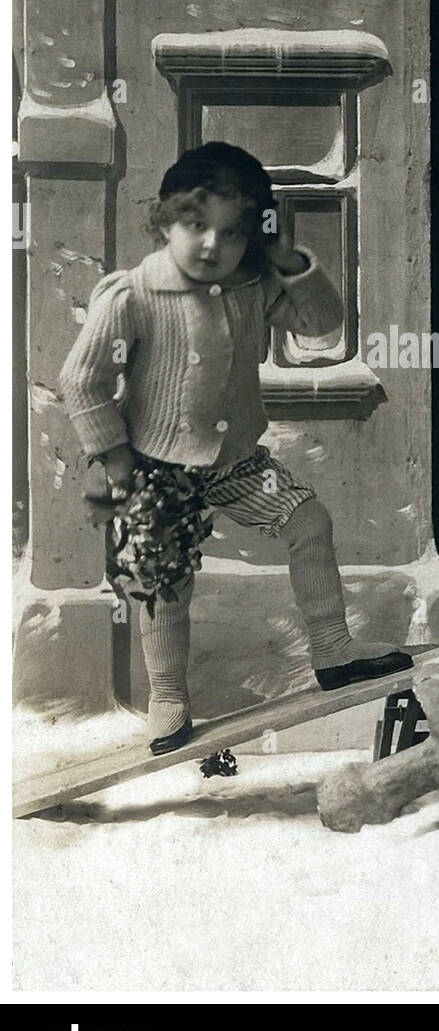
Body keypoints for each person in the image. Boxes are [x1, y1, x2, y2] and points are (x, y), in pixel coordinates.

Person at [59, 142, 412, 754]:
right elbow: (80, 380)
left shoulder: (253, 283)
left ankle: (333, 648)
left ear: (252, 236)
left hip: (236, 463)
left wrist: (288, 260)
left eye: (231, 233)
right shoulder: (134, 295)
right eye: (195, 226)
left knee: (308, 521)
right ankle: (168, 695)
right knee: (165, 581)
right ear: (163, 220)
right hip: (155, 470)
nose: (211, 246)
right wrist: (116, 459)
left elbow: (320, 322)